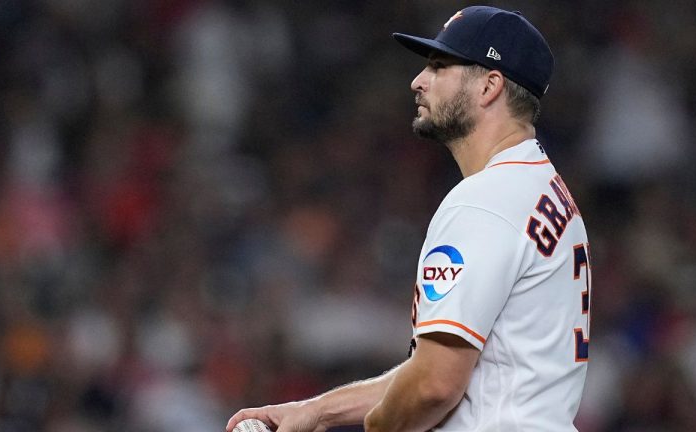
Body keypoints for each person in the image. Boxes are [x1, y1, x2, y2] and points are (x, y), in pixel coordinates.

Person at [226, 5, 592, 432]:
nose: (418, 81)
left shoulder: (483, 202)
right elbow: (442, 370)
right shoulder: (545, 191)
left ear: (490, 85)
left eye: (439, 66)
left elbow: (433, 386)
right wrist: (318, 410)